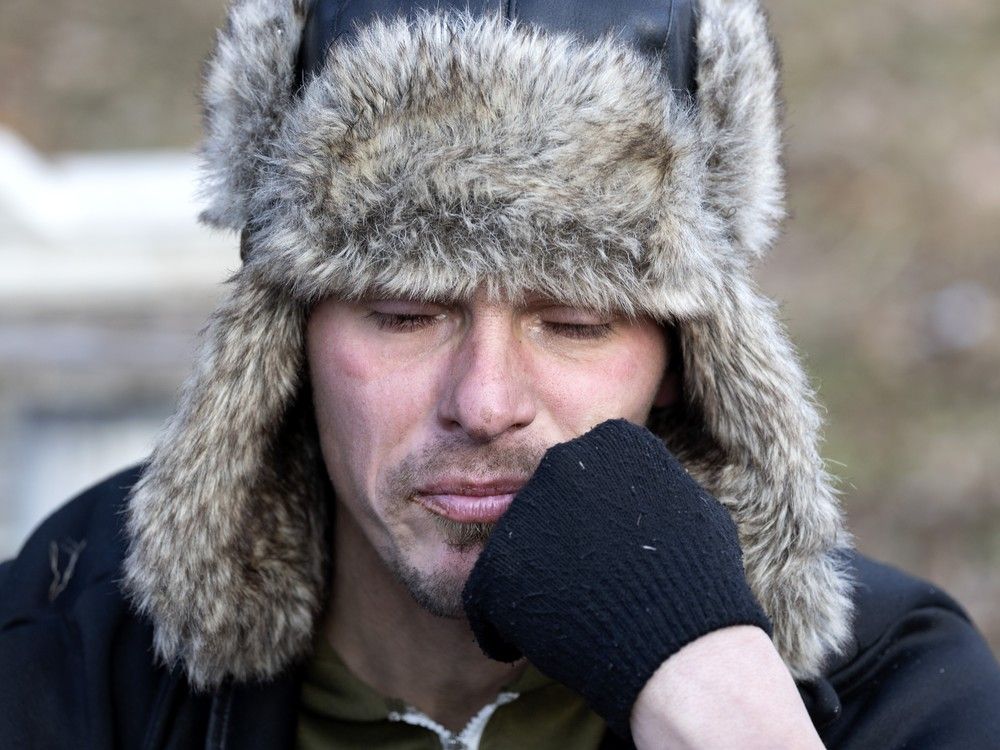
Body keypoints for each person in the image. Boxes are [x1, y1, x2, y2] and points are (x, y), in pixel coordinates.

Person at [2, 0, 999, 747]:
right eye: (403, 314)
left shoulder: (890, 693)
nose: (483, 403)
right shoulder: (71, 652)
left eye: (573, 321)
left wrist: (722, 701)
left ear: (683, 360)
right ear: (287, 339)